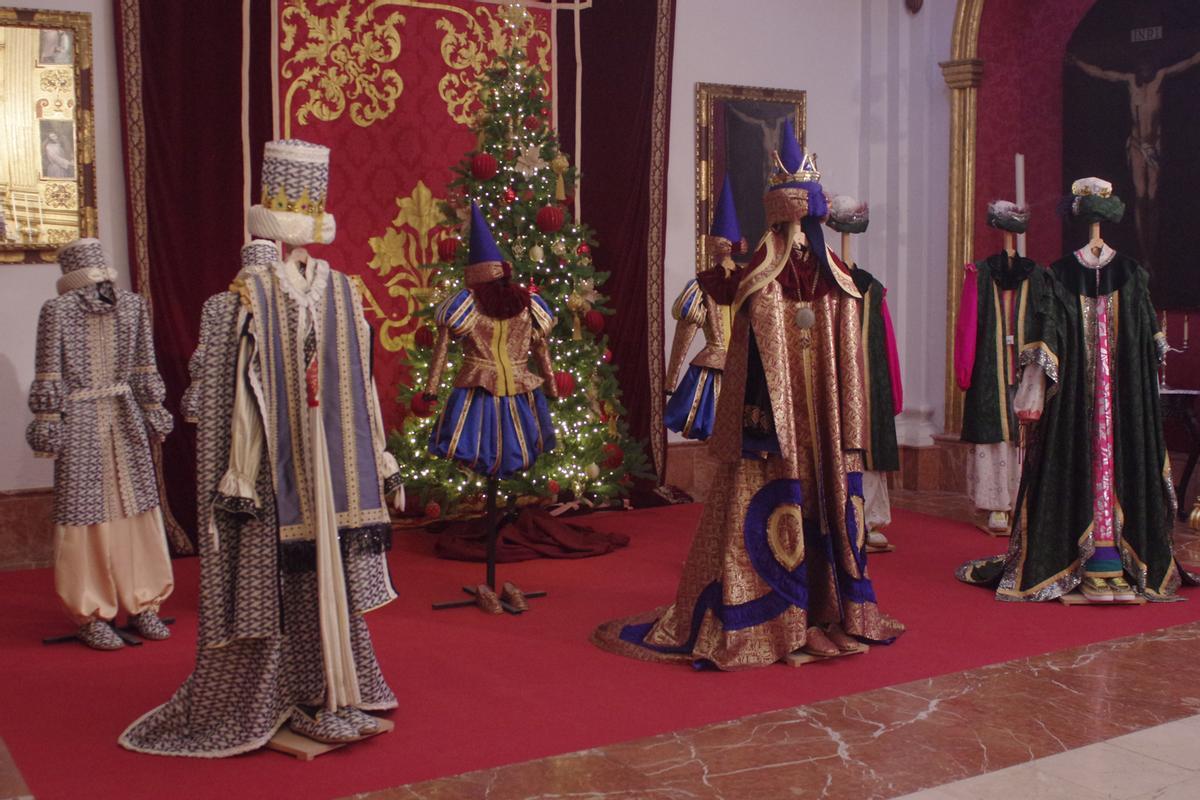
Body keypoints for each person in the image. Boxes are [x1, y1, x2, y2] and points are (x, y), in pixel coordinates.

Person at [121, 141, 401, 756]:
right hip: (271, 470)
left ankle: (334, 688)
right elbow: (228, 408)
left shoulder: (342, 293)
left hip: (328, 466)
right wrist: (239, 479)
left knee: (330, 575)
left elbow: (360, 383)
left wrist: (376, 455)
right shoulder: (235, 306)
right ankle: (289, 692)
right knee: (277, 580)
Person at [592, 121, 903, 668]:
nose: (803, 233)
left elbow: (849, 359)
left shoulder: (836, 281)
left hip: (824, 429)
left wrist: (850, 432)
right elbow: (748, 358)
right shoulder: (761, 278)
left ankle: (830, 614)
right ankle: (784, 623)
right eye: (796, 221)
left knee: (830, 512)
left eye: (810, 220)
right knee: (777, 519)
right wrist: (760, 423)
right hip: (776, 432)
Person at [958, 178, 1191, 602]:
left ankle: (1118, 561)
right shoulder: (1060, 275)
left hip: (1120, 403)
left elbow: (1145, 342)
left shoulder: (1132, 275)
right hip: (1074, 403)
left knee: (1115, 467)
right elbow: (1046, 338)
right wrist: (1032, 395)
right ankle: (1087, 564)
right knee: (1081, 466)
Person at [27, 238, 175, 650]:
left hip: (123, 415)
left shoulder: (133, 306)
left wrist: (152, 409)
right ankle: (91, 612)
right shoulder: (56, 312)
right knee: (83, 518)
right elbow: (49, 374)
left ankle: (143, 601)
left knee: (138, 509)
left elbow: (146, 364)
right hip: (80, 420)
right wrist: (48, 425)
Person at [955, 201, 1049, 533]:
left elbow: (1046, 320)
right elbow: (967, 323)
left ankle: (1023, 500)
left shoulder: (1037, 276)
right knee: (995, 434)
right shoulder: (979, 274)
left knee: (1022, 435)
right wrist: (964, 369)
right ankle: (996, 505)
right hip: (989, 368)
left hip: (1025, 370)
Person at [1068, 50, 1200, 268]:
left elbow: (1186, 63)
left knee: (1151, 197)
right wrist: (1078, 62)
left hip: (1153, 145)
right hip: (1137, 145)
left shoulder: (1159, 78)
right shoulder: (1130, 82)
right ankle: (1144, 252)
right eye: (1142, 67)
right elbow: (1103, 73)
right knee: (1140, 198)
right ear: (1138, 69)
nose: (1145, 70)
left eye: (1148, 66)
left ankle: (1152, 246)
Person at [827, 196, 902, 552]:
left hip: (869, 384)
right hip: (834, 382)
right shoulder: (824, 281)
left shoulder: (871, 288)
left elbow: (885, 342)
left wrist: (893, 393)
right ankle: (832, 520)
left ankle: (868, 519)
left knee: (868, 451)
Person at [664, 174, 742, 441]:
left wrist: (670, 380)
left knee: (717, 435)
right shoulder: (752, 282)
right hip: (744, 369)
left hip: (713, 371)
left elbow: (683, 334)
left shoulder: (701, 285)